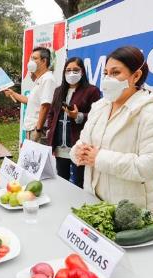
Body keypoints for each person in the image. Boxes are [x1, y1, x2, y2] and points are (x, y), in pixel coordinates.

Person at [71, 46, 153, 214]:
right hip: (93, 205)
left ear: (136, 76)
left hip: (130, 215)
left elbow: (151, 166)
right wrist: (78, 152)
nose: (108, 79)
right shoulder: (99, 107)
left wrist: (99, 157)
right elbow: (83, 143)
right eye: (106, 73)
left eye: (115, 73)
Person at [46, 57, 101, 188]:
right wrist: (49, 129)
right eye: (68, 70)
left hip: (78, 145)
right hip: (60, 145)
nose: (71, 73)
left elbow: (97, 116)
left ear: (82, 72)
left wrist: (79, 116)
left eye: (75, 70)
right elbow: (52, 113)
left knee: (79, 182)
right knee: (62, 179)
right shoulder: (59, 91)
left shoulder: (92, 91)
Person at [4, 46, 56, 142]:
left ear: (44, 61)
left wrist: (38, 130)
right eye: (31, 58)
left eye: (35, 58)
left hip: (38, 130)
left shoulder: (48, 79)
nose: (31, 62)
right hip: (31, 129)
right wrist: (12, 93)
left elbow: (45, 106)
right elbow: (29, 101)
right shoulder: (39, 80)